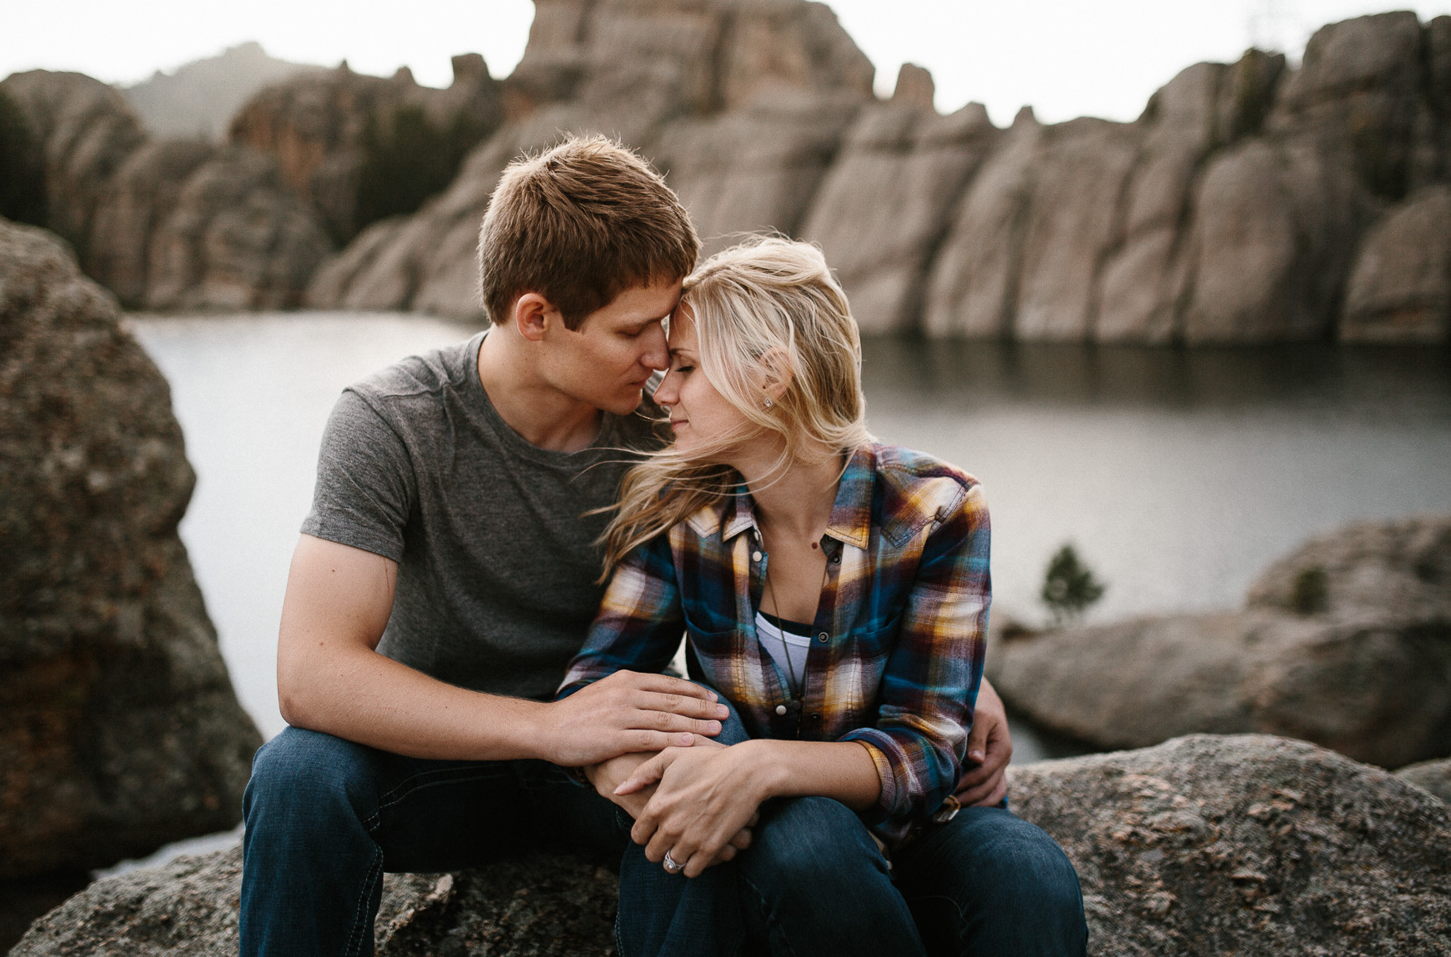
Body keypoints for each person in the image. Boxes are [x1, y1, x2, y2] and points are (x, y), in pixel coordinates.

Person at [238, 135, 1016, 956]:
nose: (660, 362)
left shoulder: (678, 419)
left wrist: (958, 668)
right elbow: (312, 672)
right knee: (296, 775)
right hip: (443, 763)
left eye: (669, 334)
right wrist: (548, 729)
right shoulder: (390, 421)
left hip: (619, 763)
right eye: (635, 332)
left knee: (702, 750)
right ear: (538, 318)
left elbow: (822, 465)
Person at [560, 237, 1087, 957]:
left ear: (771, 375)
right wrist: (639, 780)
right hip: (764, 842)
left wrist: (757, 766)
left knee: (1030, 875)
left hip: (914, 832)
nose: (665, 391)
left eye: (685, 368)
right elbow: (595, 684)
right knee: (801, 840)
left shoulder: (935, 509)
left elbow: (929, 754)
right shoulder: (683, 512)